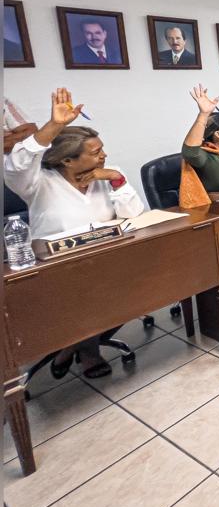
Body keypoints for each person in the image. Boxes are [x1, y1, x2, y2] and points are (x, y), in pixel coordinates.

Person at [4, 88, 144, 378]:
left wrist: (117, 180)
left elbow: (133, 214)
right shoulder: (38, 183)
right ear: (67, 160)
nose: (104, 155)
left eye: (102, 149)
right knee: (88, 298)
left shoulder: (108, 175)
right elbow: (17, 165)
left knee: (142, 288)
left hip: (106, 260)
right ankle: (89, 353)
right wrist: (54, 125)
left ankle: (68, 348)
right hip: (56, 270)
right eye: (95, 153)